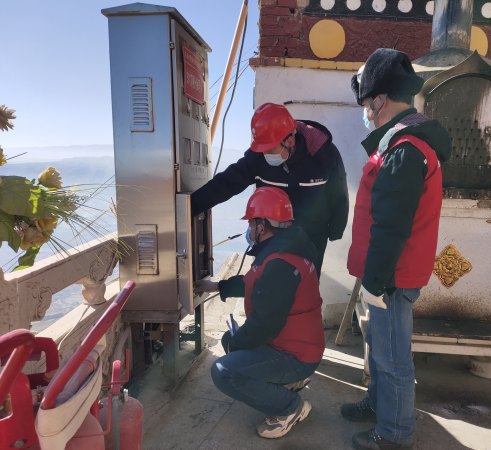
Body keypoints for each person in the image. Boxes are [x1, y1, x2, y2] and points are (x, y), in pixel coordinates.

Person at [342, 48, 452, 449]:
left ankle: (394, 434)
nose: (365, 111)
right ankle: (379, 405)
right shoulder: (403, 142)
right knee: (381, 350)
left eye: (365, 103)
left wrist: (375, 280)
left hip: (391, 276)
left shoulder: (405, 149)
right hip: (388, 272)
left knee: (392, 360)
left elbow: (391, 226)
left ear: (379, 99)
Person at [201, 187, 325, 439]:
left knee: (224, 371)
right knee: (229, 341)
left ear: (262, 225)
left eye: (251, 223)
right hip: (293, 345)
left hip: (295, 355)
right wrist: (216, 286)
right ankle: (284, 383)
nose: (249, 228)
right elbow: (253, 283)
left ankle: (289, 407)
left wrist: (238, 343)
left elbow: (264, 323)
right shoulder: (287, 248)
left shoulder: (280, 263)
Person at [191, 102, 349, 276]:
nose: (265, 154)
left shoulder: (323, 154)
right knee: (266, 282)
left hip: (313, 234)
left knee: (307, 281)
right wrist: (191, 206)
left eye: (269, 149)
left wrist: (336, 229)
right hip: (272, 234)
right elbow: (227, 183)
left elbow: (339, 192)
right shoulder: (258, 157)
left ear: (289, 141)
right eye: (262, 149)